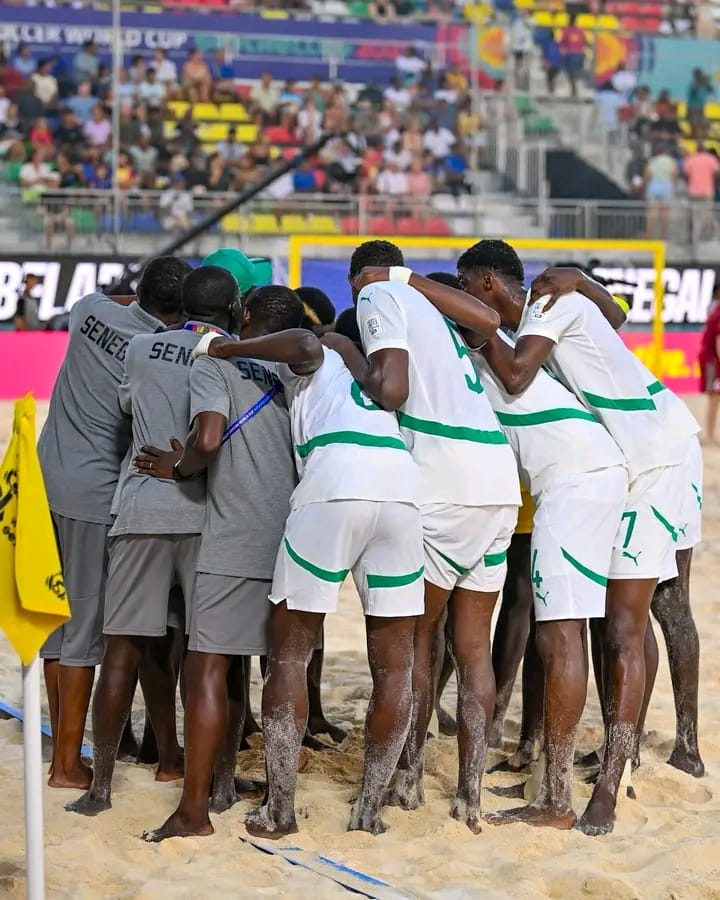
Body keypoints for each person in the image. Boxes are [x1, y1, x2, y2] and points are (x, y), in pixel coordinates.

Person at [457, 241, 698, 835]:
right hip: (627, 458)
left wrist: (572, 285)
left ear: (486, 283)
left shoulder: (542, 310)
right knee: (614, 623)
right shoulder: (544, 314)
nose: (462, 301)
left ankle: (611, 786)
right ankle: (614, 761)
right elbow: (614, 320)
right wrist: (585, 283)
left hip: (661, 460)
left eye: (465, 289)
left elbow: (513, 378)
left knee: (628, 624)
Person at [385, 265, 629, 829]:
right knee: (547, 632)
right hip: (575, 477)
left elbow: (517, 366)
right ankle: (548, 777)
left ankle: (556, 801)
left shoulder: (499, 349)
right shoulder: (474, 361)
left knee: (560, 634)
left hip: (577, 479)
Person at [193, 288, 424, 839]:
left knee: (290, 655)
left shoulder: (314, 348)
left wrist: (221, 349)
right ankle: (369, 810)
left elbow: (300, 340)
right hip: (399, 493)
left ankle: (281, 809)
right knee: (396, 666)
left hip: (334, 486)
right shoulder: (362, 364)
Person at [330, 241, 520, 833]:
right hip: (497, 482)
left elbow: (391, 389)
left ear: (359, 278)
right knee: (473, 647)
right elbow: (490, 319)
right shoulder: (438, 311)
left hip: (445, 485)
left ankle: (406, 778)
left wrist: (344, 352)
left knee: (415, 641)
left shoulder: (382, 292)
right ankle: (469, 796)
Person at [136, 278, 301, 843]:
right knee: (274, 670)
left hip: (236, 532)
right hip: (295, 534)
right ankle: (258, 797)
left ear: (244, 316)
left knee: (206, 665)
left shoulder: (214, 363)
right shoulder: (293, 368)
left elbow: (207, 437)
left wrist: (180, 468)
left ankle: (193, 811)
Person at [37, 256, 190, 791]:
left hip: (44, 480)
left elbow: (119, 303)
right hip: (93, 493)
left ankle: (63, 747)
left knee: (56, 628)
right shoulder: (154, 352)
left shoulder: (88, 310)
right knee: (84, 635)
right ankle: (64, 765)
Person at [699, 283, 720, 444]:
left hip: (711, 358)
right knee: (714, 397)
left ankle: (710, 435)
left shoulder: (714, 309)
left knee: (714, 398)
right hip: (713, 361)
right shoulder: (717, 312)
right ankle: (710, 436)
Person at [559, 15, 587, 98]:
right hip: (580, 53)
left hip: (570, 53)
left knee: (570, 73)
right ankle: (574, 89)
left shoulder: (566, 30)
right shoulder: (581, 30)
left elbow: (562, 42)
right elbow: (585, 41)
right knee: (575, 72)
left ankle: (574, 90)